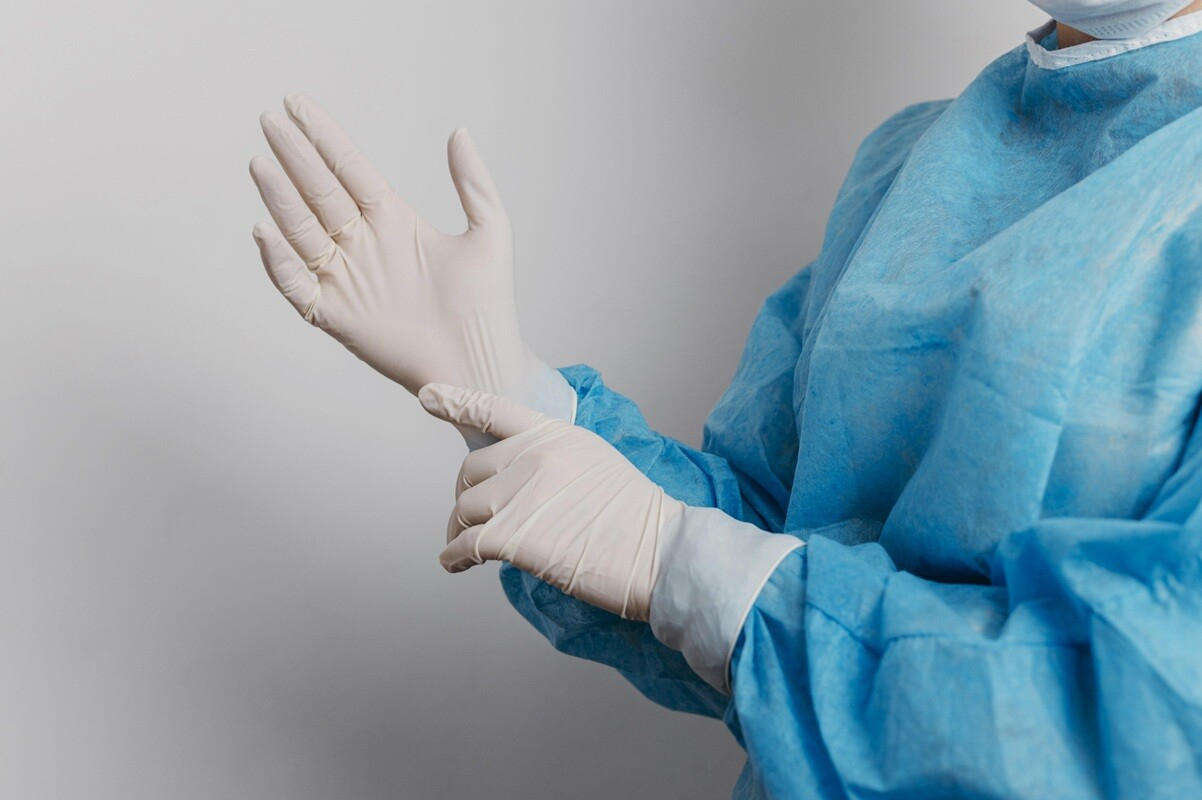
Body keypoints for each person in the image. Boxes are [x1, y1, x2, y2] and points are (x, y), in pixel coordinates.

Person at [248, 2, 1202, 797]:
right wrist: (501, 384)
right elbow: (759, 547)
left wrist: (682, 562)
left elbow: (1152, 718)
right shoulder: (914, 166)